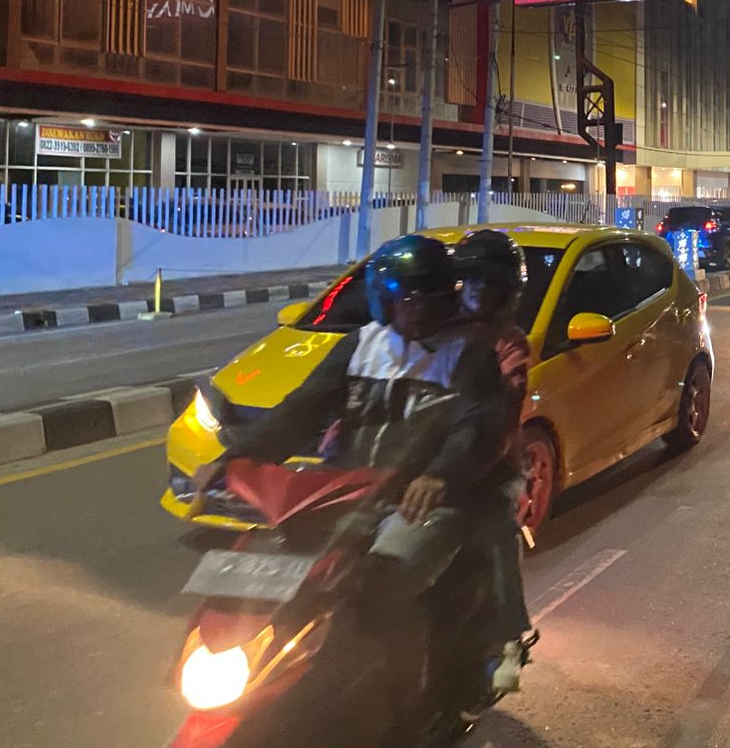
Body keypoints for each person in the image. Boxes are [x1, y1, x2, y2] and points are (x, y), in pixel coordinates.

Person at [191, 234, 515, 709]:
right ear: (386, 300)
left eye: (430, 296)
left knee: (378, 583)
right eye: (408, 297)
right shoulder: (359, 347)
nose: (419, 308)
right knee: (272, 572)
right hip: (341, 492)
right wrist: (234, 459)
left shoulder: (469, 354)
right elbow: (301, 410)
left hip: (418, 502)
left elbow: (476, 427)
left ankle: (406, 698)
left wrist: (440, 474)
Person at [449, 229, 538, 694]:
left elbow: (503, 409)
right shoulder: (437, 331)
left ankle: (509, 635)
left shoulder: (509, 343)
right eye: (471, 280)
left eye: (488, 282)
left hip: (491, 463)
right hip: (428, 455)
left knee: (495, 526)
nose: (477, 290)